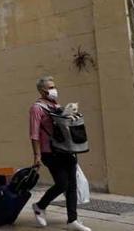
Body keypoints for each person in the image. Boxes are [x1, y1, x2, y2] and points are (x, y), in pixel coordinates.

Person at [30, 76, 91, 231]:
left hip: (66, 149)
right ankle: (39, 206)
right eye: (50, 87)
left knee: (72, 185)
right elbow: (34, 134)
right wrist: (37, 156)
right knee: (62, 183)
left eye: (54, 86)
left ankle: (72, 220)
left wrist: (69, 114)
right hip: (49, 152)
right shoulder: (36, 108)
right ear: (42, 90)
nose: (53, 90)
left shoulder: (56, 105)